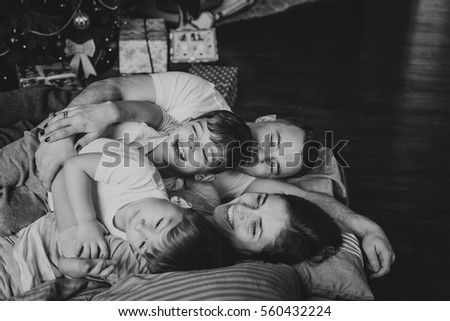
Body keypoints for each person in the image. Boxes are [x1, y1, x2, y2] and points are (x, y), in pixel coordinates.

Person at [38, 72, 395, 278]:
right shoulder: (201, 101)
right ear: (268, 119)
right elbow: (115, 89)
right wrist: (64, 133)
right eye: (272, 140)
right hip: (66, 140)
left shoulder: (230, 181)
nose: (262, 154)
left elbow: (307, 201)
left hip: (73, 192)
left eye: (272, 164)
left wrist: (363, 225)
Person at [51, 137, 228, 273]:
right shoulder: (139, 174)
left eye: (143, 244)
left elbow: (68, 254)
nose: (140, 227)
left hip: (54, 195)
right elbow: (74, 165)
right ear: (179, 202)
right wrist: (87, 222)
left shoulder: (129, 240)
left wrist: (81, 267)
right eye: (158, 223)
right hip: (71, 153)